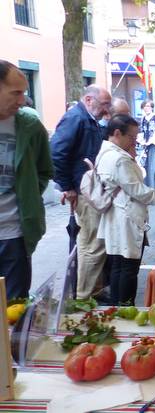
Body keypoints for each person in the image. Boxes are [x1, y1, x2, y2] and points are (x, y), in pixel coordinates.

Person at [96, 115, 155, 305]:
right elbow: (141, 192)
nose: (135, 141)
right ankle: (125, 308)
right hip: (126, 217)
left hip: (115, 216)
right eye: (132, 137)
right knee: (128, 269)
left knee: (118, 266)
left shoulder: (105, 153)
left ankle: (117, 309)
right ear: (117, 134)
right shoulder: (119, 159)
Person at [51, 84, 111, 299]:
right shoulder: (75, 118)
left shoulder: (85, 119)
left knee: (90, 242)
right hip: (84, 190)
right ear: (88, 99)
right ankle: (85, 294)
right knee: (91, 244)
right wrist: (68, 187)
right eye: (104, 104)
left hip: (86, 188)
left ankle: (90, 291)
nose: (107, 109)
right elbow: (57, 153)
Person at [0, 61, 53, 299]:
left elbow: (44, 170)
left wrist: (29, 194)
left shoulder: (30, 126)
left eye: (24, 93)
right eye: (16, 92)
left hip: (14, 236)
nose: (22, 100)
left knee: (14, 308)